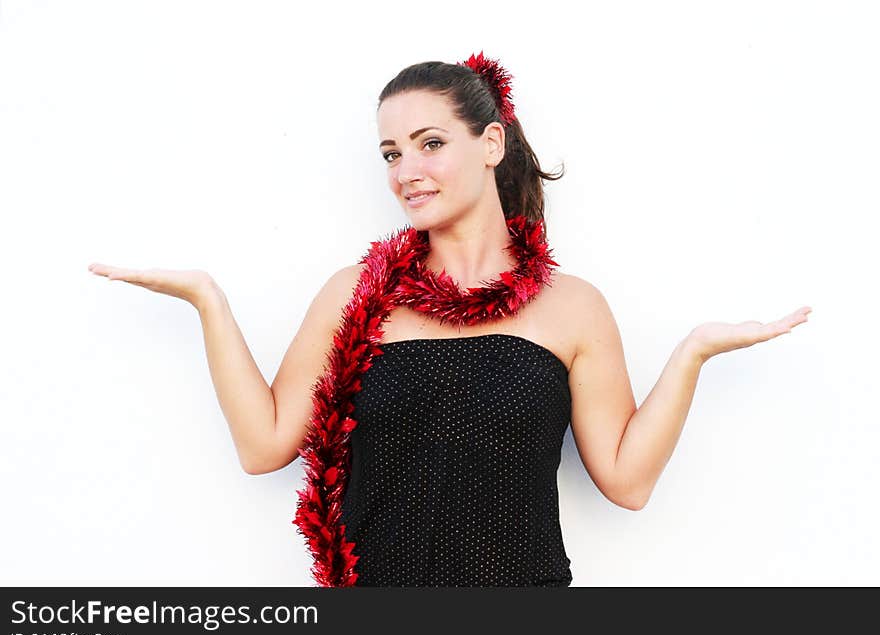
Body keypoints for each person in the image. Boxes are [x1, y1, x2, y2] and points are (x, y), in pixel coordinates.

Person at [87, 52, 812, 587]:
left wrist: (692, 352)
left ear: (491, 144)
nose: (407, 168)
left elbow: (625, 481)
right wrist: (208, 299)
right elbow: (263, 443)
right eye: (391, 152)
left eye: (431, 143)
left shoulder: (572, 307)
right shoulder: (357, 293)